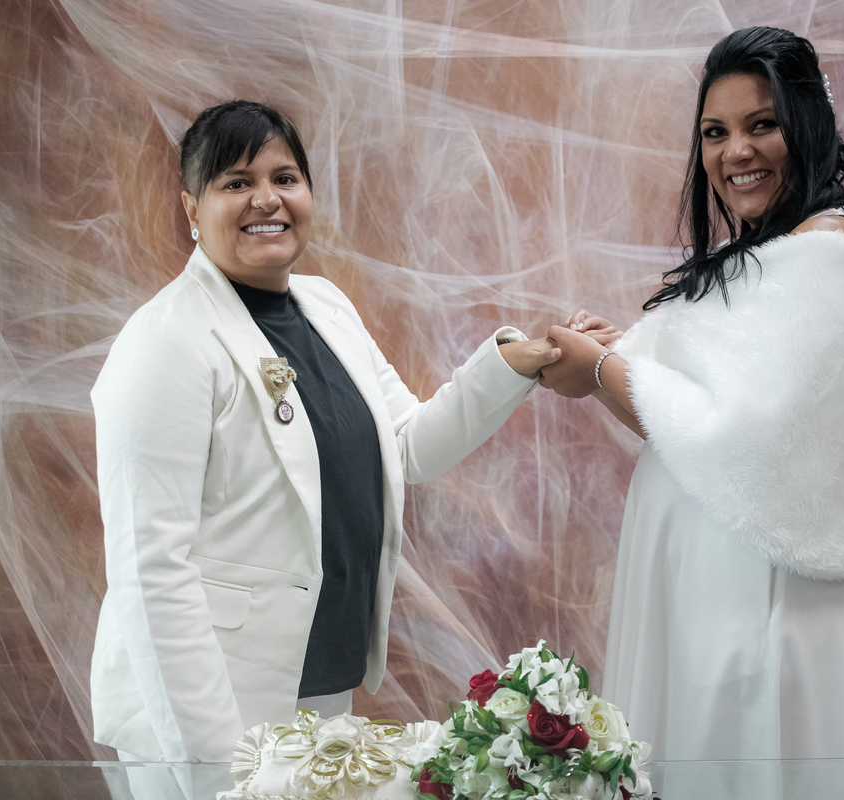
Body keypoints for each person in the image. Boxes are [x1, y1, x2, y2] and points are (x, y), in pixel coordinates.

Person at [89, 100, 564, 763]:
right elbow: (151, 571)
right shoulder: (165, 342)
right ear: (193, 209)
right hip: (210, 712)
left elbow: (408, 445)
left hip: (319, 691)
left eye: (284, 178)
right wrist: (217, 764)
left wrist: (514, 364)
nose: (267, 199)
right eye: (236, 182)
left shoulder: (327, 307)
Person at [539, 27, 844, 759]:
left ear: (808, 124)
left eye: (762, 125)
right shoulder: (771, 250)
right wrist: (615, 352)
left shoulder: (833, 255)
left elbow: (746, 432)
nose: (736, 152)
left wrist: (600, 371)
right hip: (714, 590)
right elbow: (714, 386)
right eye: (715, 132)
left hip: (761, 601)